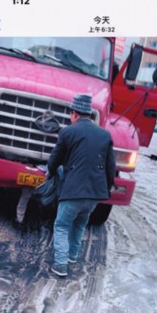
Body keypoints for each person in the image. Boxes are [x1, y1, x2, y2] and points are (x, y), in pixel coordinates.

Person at [47, 93, 116, 277]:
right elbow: (111, 167)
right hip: (93, 195)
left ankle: (61, 265)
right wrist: (106, 189)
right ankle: (72, 257)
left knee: (61, 226)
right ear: (90, 115)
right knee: (79, 225)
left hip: (73, 192)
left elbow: (54, 159)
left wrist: (51, 173)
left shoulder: (68, 132)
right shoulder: (104, 135)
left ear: (74, 114)